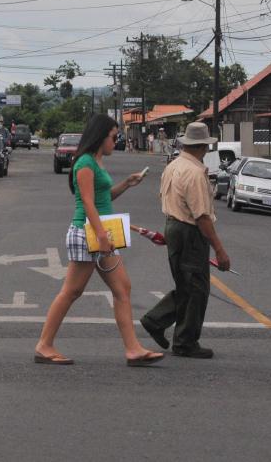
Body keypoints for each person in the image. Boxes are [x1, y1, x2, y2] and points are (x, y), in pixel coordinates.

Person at [34, 114, 162, 367]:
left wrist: (127, 183)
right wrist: (102, 236)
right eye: (114, 137)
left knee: (122, 288)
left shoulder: (97, 162)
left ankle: (133, 349)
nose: (117, 141)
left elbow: (103, 199)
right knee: (72, 291)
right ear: (101, 136)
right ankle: (44, 345)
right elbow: (88, 203)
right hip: (88, 233)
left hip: (101, 232)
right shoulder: (84, 163)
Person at [141, 121, 231, 360]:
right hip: (189, 231)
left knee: (186, 284)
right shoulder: (194, 172)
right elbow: (201, 216)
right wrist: (219, 250)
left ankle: (156, 321)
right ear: (203, 146)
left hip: (173, 225)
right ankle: (185, 341)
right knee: (197, 287)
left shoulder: (174, 165)